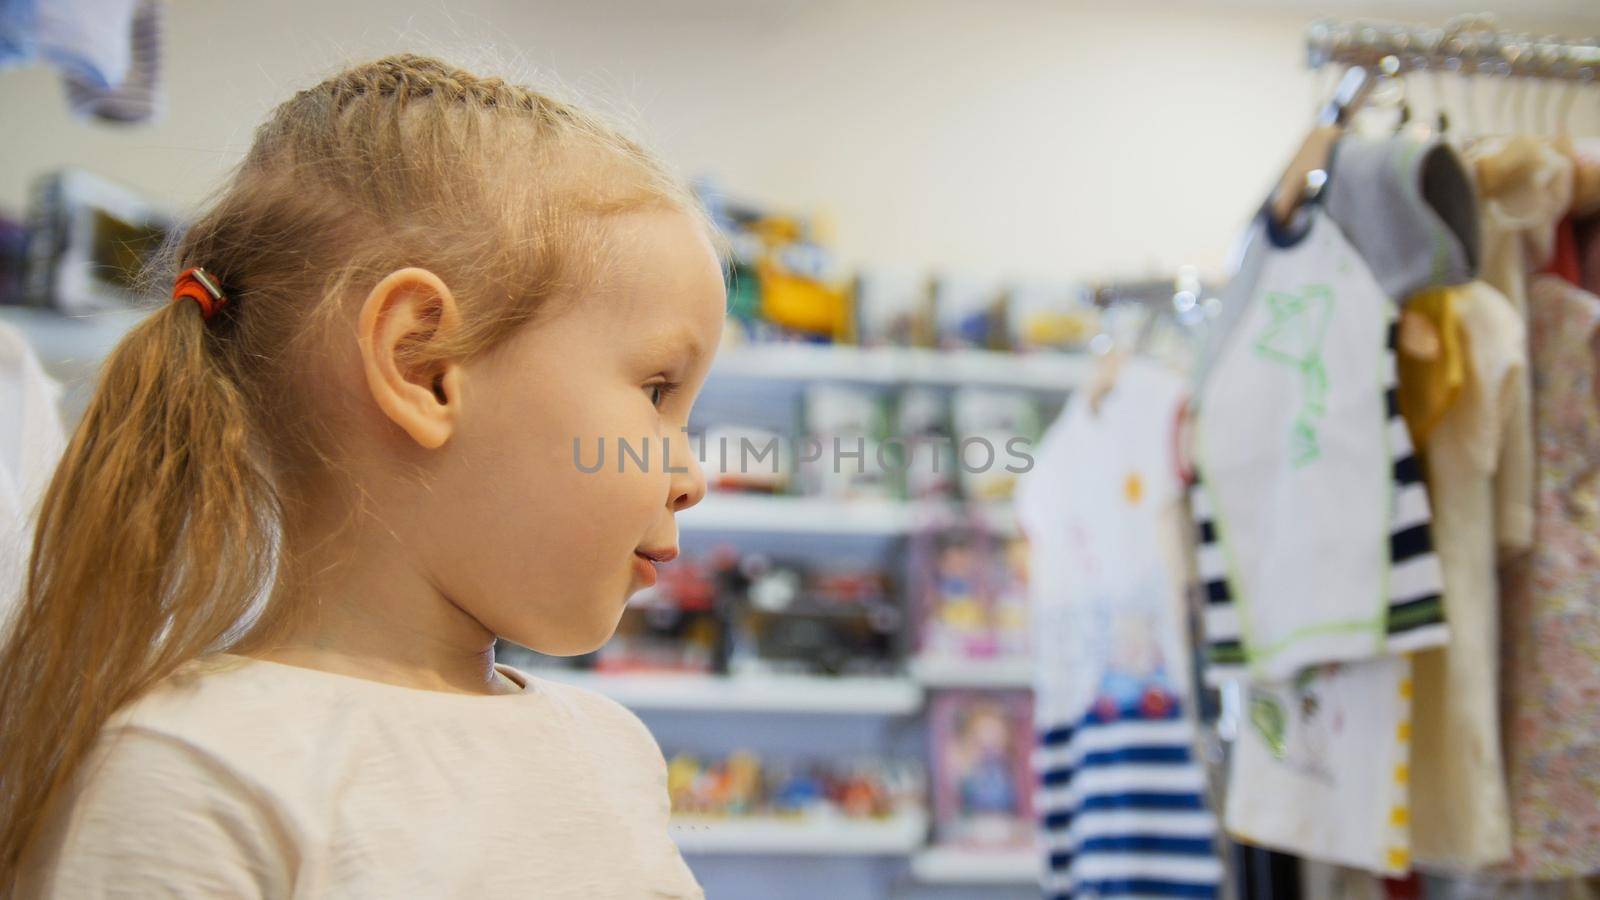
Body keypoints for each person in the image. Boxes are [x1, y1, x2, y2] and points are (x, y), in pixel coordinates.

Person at [0, 54, 723, 898]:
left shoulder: (611, 752)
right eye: (657, 392)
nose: (689, 477)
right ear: (423, 366)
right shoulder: (195, 776)